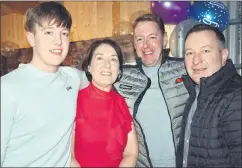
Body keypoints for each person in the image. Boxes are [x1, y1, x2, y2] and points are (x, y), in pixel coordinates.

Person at [1, 2, 85, 167]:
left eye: (64, 33)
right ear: (31, 38)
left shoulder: (73, 78)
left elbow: (104, 80)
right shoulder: (7, 88)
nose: (58, 41)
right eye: (48, 32)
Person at [114, 13, 189, 167]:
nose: (146, 45)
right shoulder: (119, 77)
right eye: (139, 39)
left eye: (152, 37)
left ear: (165, 39)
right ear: (134, 44)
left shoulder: (186, 69)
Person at [177, 24, 242, 167]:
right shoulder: (195, 91)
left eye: (205, 51)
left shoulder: (236, 96)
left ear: (223, 55)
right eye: (189, 53)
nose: (196, 60)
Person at [74, 38, 138, 167]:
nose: (107, 65)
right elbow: (69, 157)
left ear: (119, 69)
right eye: (100, 58)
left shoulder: (121, 102)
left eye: (113, 59)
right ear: (89, 67)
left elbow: (131, 152)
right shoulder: (74, 101)